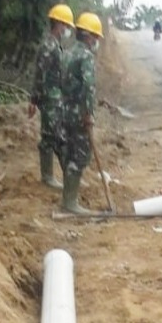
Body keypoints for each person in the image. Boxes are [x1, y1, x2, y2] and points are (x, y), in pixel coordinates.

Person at [59, 12, 104, 214]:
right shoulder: (85, 56)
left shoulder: (67, 52)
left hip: (65, 111)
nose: (96, 41)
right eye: (95, 37)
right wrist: (88, 113)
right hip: (78, 114)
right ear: (87, 36)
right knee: (79, 155)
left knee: (69, 153)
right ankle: (70, 203)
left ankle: (68, 199)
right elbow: (88, 87)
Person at [28, 3, 75, 189]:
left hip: (55, 99)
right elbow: (40, 74)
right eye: (66, 26)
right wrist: (34, 99)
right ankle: (55, 177)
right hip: (50, 99)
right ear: (58, 24)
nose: (68, 30)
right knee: (56, 137)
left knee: (51, 137)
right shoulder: (49, 46)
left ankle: (61, 177)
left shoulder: (55, 45)